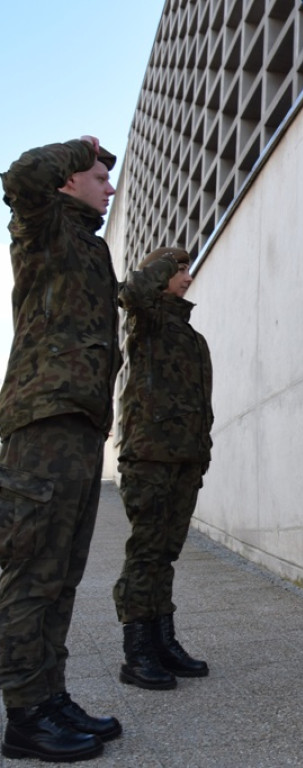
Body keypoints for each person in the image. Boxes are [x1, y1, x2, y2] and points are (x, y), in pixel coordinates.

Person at [0, 137, 122, 762]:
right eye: (98, 176)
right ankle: (24, 716)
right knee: (31, 574)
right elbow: (20, 175)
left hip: (78, 423)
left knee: (63, 575)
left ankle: (50, 696)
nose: (108, 185)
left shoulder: (91, 247)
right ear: (68, 182)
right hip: (42, 420)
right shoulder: (43, 226)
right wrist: (80, 147)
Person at [114, 246, 213, 691]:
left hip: (185, 459)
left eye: (188, 270)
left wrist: (202, 451)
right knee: (146, 553)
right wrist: (165, 259)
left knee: (166, 555)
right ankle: (137, 653)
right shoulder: (147, 321)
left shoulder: (193, 339)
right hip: (150, 456)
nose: (187, 278)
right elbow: (132, 293)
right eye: (179, 271)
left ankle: (162, 641)